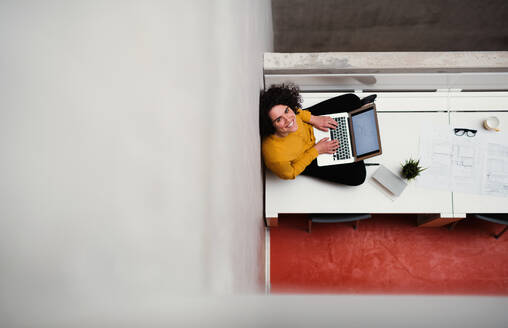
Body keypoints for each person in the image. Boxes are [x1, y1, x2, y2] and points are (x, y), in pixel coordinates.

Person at [260, 83, 367, 186]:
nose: (288, 119)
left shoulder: (290, 114)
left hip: (309, 126)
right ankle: (350, 147)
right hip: (307, 155)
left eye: (287, 111)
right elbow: (291, 173)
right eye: (279, 119)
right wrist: (316, 150)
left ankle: (348, 138)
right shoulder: (275, 158)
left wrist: (314, 119)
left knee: (352, 100)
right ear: (270, 126)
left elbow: (297, 112)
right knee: (358, 176)